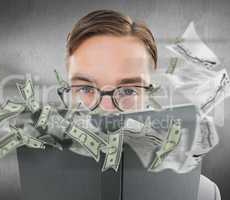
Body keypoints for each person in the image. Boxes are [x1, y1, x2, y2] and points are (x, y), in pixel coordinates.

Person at [65, 9, 221, 200]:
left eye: (128, 91)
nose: (106, 109)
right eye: (86, 89)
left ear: (151, 97)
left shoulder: (203, 194)